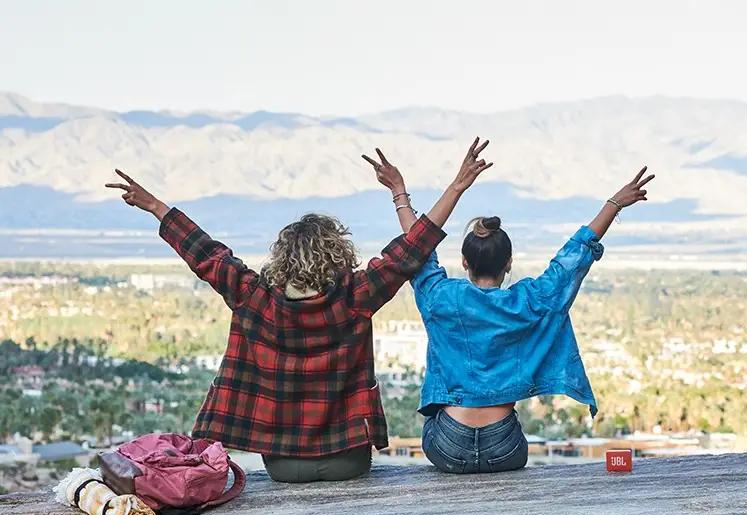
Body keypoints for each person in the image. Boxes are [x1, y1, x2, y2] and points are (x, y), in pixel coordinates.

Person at [104, 139, 492, 483]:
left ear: (284, 256)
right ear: (337, 253)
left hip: (284, 466)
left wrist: (155, 206)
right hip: (349, 460)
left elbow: (205, 253)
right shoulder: (357, 296)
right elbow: (413, 249)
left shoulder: (253, 296)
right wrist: (448, 186)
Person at [390, 161, 655, 474]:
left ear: (464, 262)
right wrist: (613, 204)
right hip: (505, 447)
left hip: (448, 446)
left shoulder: (441, 298)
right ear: (509, 263)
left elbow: (417, 251)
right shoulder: (532, 301)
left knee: (434, 422)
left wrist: (399, 193)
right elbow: (573, 258)